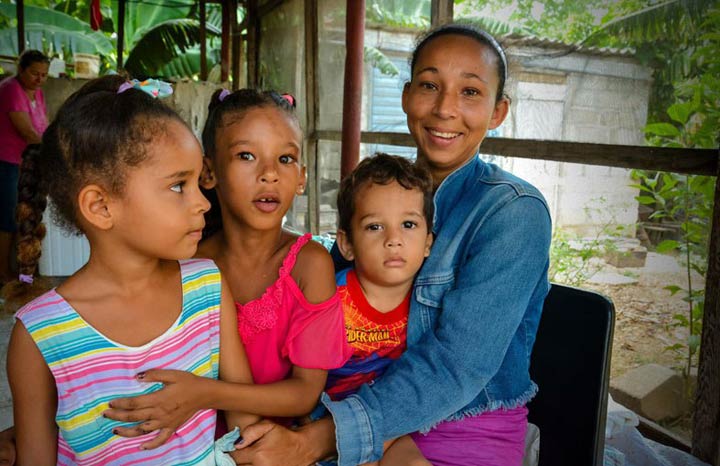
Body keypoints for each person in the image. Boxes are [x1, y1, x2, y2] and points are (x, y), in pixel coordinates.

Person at [232, 23, 552, 466]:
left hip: (461, 425)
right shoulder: (375, 189)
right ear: (406, 96)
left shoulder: (511, 211)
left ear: (498, 112)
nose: (444, 109)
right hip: (354, 412)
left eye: (470, 93)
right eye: (429, 85)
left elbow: (458, 365)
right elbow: (312, 313)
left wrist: (318, 440)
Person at [6, 75, 258, 465]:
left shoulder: (206, 286)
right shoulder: (42, 335)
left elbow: (245, 421)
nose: (202, 203)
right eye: (179, 186)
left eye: (198, 182)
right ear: (101, 207)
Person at [99, 88, 351, 437]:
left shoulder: (308, 265)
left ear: (303, 178)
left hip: (268, 446)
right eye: (246, 156)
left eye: (286, 159)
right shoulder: (186, 262)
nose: (270, 174)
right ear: (209, 171)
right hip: (182, 443)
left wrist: (202, 394)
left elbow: (304, 394)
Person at [320, 153, 434, 466]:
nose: (394, 240)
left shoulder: (428, 304)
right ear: (347, 244)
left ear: (428, 243)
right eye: (374, 227)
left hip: (389, 421)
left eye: (409, 224)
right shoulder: (331, 298)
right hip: (324, 418)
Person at [0, 50, 49, 285]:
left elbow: (43, 125)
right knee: (8, 218)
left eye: (44, 75)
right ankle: (3, 272)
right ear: (21, 70)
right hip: (7, 161)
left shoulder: (36, 93)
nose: (39, 79)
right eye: (34, 73)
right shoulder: (10, 89)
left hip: (27, 162)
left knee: (28, 217)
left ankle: (25, 271)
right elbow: (28, 132)